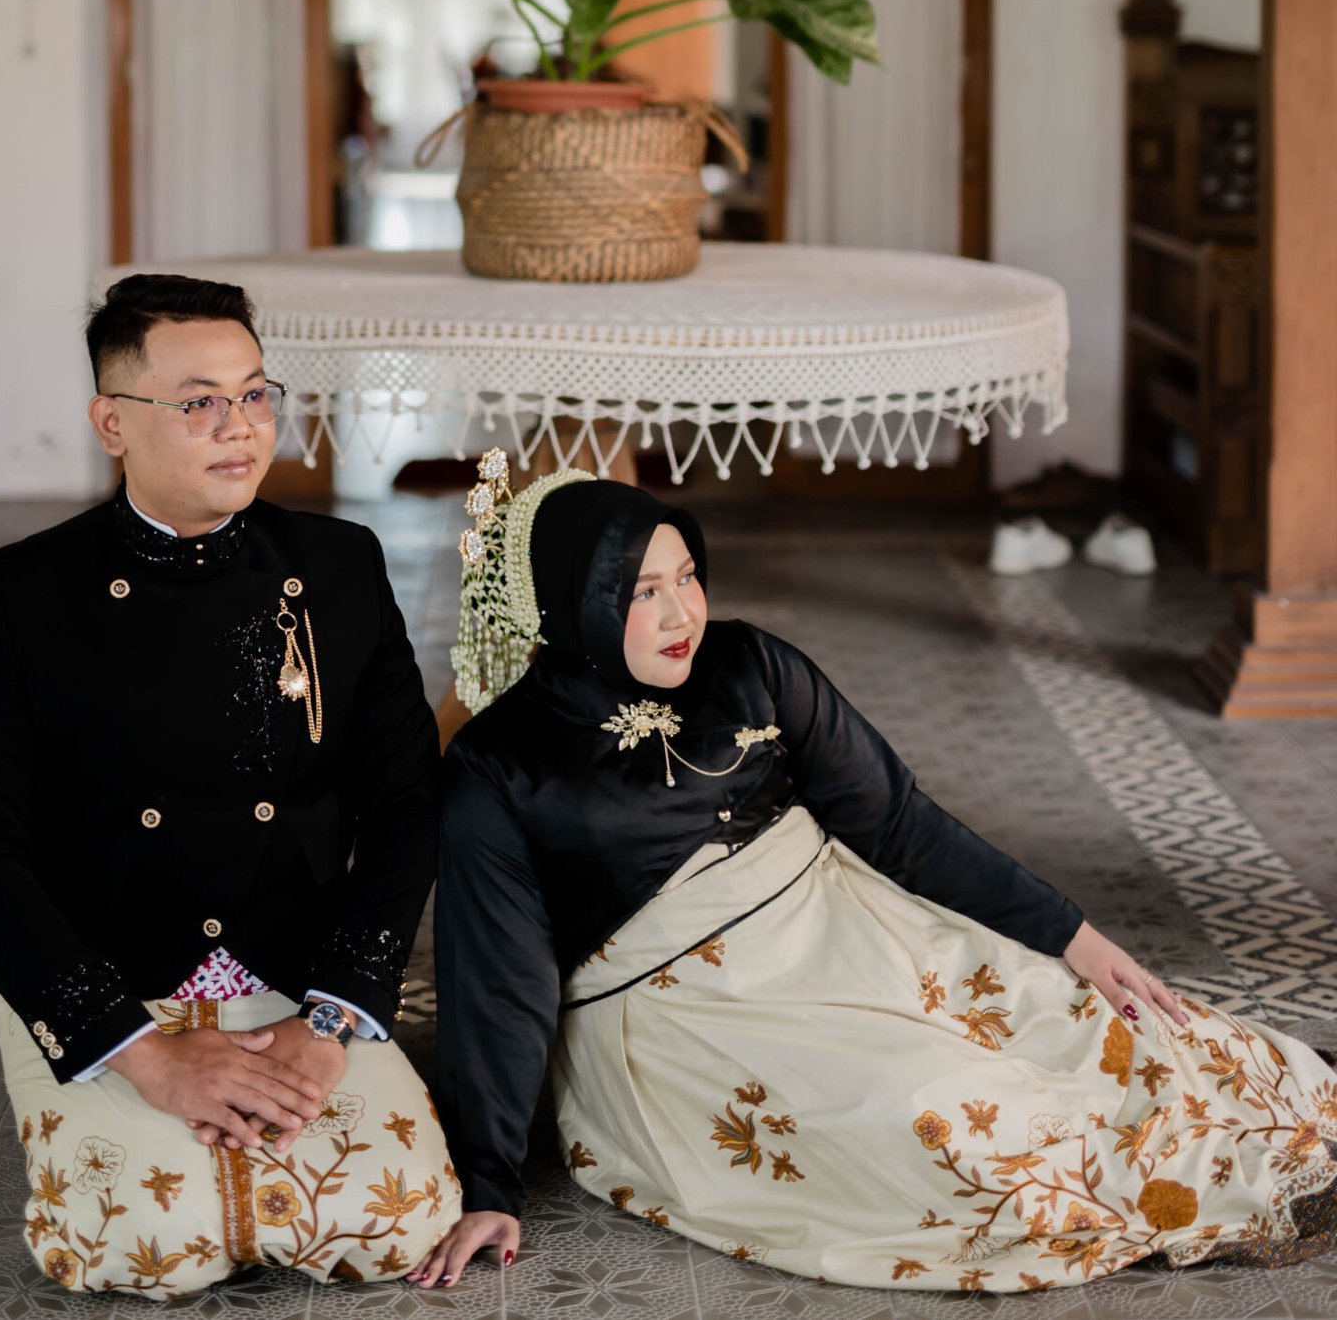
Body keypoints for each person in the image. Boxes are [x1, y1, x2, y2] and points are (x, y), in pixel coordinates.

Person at [417, 462, 1337, 1294]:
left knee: (1093, 1025)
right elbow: (500, 979)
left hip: (847, 926)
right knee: (934, 1116)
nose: (680, 614)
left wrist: (1074, 935)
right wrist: (490, 1183)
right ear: (566, 602)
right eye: (640, 592)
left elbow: (897, 822)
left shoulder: (751, 664)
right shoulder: (496, 766)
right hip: (690, 1015)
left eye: (687, 576)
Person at [0, 273, 458, 1294]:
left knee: (400, 1222)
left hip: (295, 972)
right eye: (199, 401)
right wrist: (144, 1051)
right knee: (146, 1247)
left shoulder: (338, 563)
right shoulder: (23, 592)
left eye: (254, 393)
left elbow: (405, 800)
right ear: (111, 423)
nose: (239, 425)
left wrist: (332, 1018)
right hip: (112, 976)